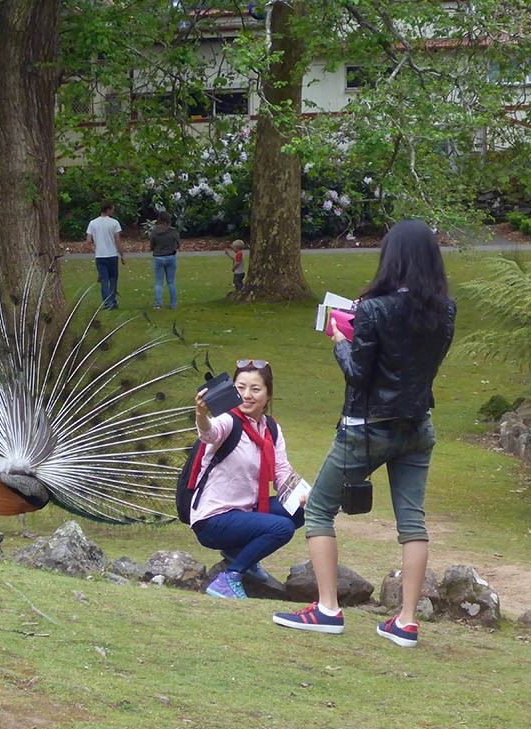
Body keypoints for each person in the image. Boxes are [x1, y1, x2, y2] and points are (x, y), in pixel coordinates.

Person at [272, 219, 456, 647]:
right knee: (412, 522)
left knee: (318, 510)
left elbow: (359, 375)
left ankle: (327, 608)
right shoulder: (445, 309)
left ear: (391, 258)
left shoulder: (374, 310)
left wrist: (340, 338)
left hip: (367, 429)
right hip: (417, 425)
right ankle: (406, 621)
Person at [190, 360, 305, 599]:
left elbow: (282, 470)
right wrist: (201, 414)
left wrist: (303, 495)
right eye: (240, 387)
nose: (246, 395)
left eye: (255, 389)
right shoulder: (228, 421)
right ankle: (230, 577)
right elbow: (209, 433)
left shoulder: (270, 428)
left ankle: (239, 553)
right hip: (214, 518)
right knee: (281, 528)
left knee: (301, 511)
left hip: (245, 510)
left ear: (268, 394)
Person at [86, 202, 127, 309]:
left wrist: (95, 250)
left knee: (104, 279)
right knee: (113, 279)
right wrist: (122, 254)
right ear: (108, 210)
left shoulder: (93, 223)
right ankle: (113, 300)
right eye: (112, 209)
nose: (113, 211)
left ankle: (106, 303)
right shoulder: (114, 223)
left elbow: (89, 240)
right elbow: (117, 240)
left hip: (100, 256)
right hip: (112, 254)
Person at [150, 211, 180, 309]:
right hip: (171, 256)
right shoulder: (173, 231)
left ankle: (158, 304)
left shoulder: (154, 232)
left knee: (159, 282)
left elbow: (152, 246)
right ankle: (173, 304)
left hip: (158, 257)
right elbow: (178, 244)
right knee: (171, 282)